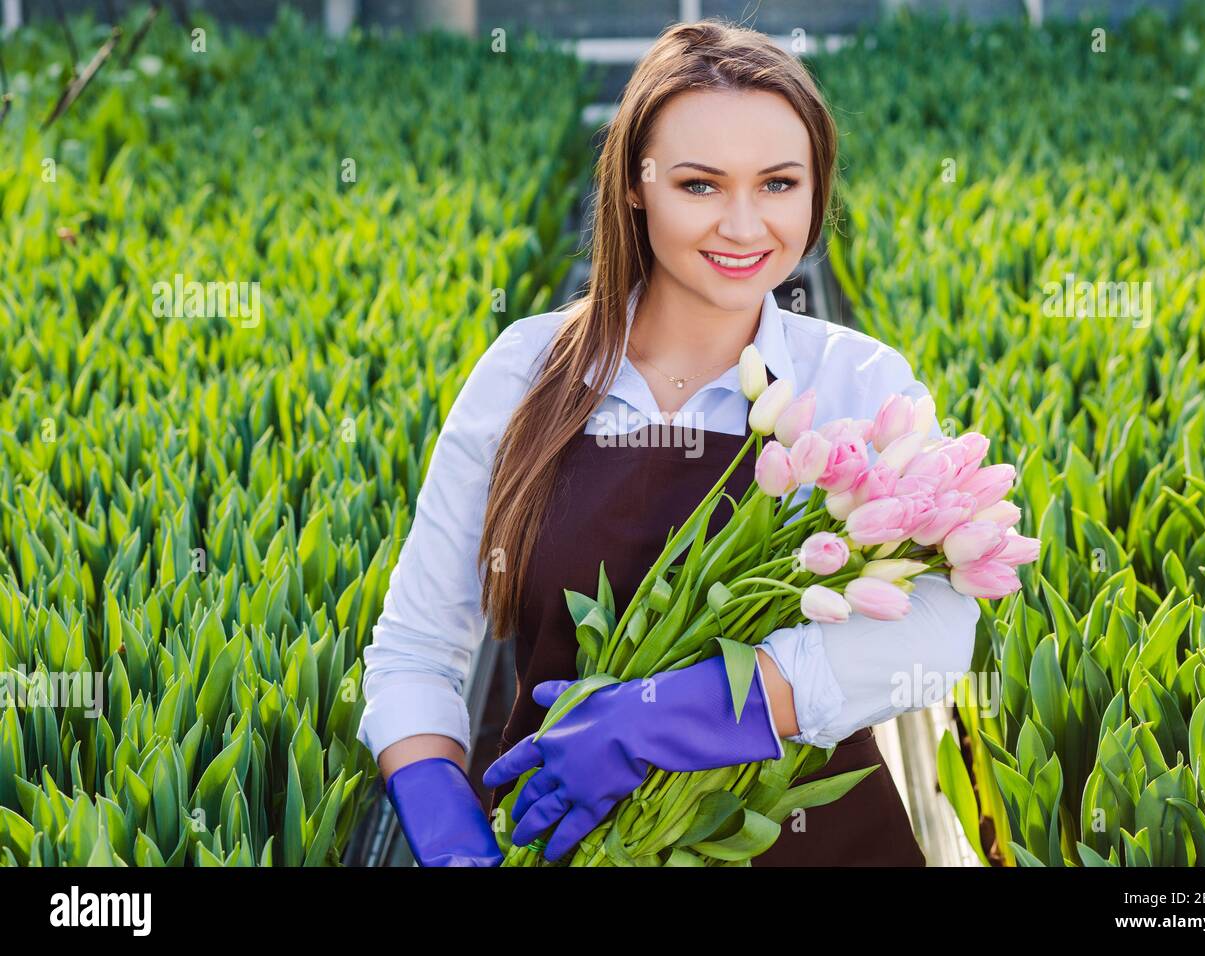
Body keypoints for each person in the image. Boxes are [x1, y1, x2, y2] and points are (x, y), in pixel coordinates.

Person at [357, 18, 979, 867]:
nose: (743, 224)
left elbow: (939, 629)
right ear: (635, 187)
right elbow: (419, 650)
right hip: (564, 835)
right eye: (699, 185)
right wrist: (439, 811)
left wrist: (673, 714)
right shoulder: (526, 373)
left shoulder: (856, 384)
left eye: (778, 184)